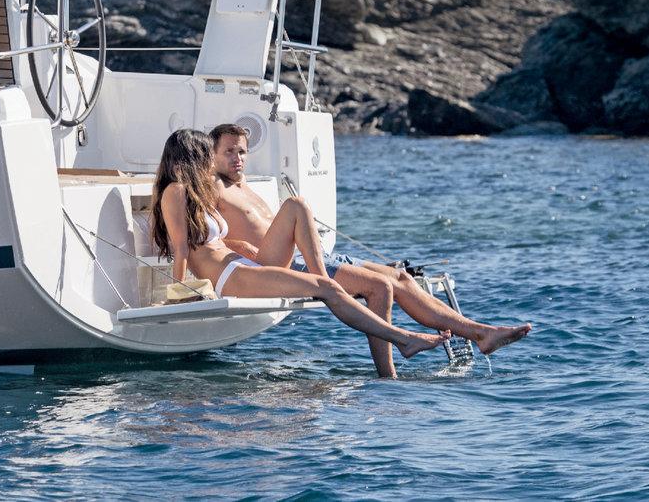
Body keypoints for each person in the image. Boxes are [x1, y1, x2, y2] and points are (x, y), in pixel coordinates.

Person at [208, 123, 531, 373]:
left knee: (401, 278)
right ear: (213, 155)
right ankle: (387, 375)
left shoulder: (243, 184)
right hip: (287, 265)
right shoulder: (213, 186)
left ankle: (480, 333)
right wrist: (238, 246)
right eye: (230, 152)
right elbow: (208, 232)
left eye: (242, 152)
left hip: (314, 254)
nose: (238, 158)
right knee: (379, 287)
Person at [151, 129, 451, 377]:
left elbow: (208, 241)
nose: (209, 161)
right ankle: (403, 339)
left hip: (243, 266)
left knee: (316, 258)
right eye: (205, 154)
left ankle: (401, 340)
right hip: (230, 277)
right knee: (326, 286)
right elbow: (181, 247)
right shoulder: (175, 191)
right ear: (191, 156)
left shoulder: (195, 194)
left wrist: (240, 246)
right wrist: (179, 293)